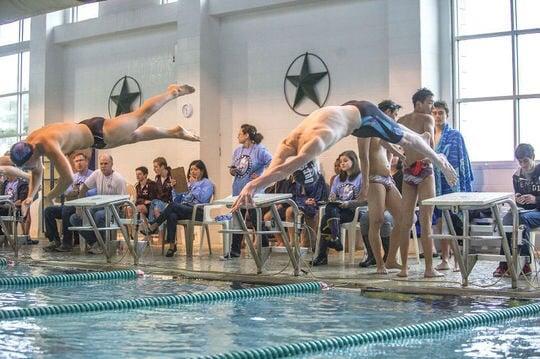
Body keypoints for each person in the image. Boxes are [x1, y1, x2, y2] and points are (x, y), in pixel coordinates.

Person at [231, 99, 457, 212]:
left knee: (407, 138)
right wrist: (254, 189)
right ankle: (419, 145)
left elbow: (285, 170)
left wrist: (251, 187)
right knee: (398, 138)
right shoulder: (288, 141)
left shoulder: (318, 141)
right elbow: (275, 169)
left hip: (365, 116)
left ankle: (440, 161)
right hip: (347, 113)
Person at [9, 84, 197, 210]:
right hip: (94, 136)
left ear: (31, 154)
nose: (28, 169)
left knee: (140, 117)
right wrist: (30, 196)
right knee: (136, 137)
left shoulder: (49, 145)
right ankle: (175, 132)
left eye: (27, 165)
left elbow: (66, 179)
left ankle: (172, 92)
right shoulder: (30, 142)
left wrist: (49, 197)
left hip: (99, 132)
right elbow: (37, 171)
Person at [393, 88, 442, 278]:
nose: (432, 107)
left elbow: (388, 141)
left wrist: (400, 156)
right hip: (424, 169)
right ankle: (429, 269)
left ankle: (404, 269)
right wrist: (435, 158)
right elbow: (429, 145)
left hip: (408, 170)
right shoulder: (427, 119)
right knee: (426, 220)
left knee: (406, 221)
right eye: (429, 102)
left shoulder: (402, 121)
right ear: (419, 103)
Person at [357, 99, 404, 272]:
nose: (395, 118)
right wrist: (365, 185)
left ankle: (391, 258)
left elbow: (392, 151)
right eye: (393, 114)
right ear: (384, 112)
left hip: (387, 179)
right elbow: (363, 157)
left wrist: (404, 158)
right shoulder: (366, 130)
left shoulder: (385, 132)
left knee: (405, 218)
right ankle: (379, 264)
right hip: (374, 179)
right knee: (376, 221)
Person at [431, 100, 474, 271]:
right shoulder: (429, 134)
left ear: (447, 115)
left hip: (452, 182)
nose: (437, 116)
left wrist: (461, 184)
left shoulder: (455, 135)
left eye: (440, 112)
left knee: (455, 221)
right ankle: (444, 258)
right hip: (435, 181)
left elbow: (462, 160)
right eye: (434, 113)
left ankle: (458, 259)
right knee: (441, 221)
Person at [224, 124, 272, 259]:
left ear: (247, 135)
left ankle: (264, 246)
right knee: (237, 220)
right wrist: (232, 170)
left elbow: (273, 164)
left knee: (256, 220)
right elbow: (234, 170)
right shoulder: (237, 151)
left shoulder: (260, 150)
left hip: (253, 192)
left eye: (240, 134)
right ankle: (235, 251)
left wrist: (262, 176)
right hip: (238, 190)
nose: (237, 136)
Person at [148, 160, 214, 257]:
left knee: (172, 206)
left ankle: (155, 224)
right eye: (191, 169)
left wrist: (194, 185)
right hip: (185, 209)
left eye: (195, 169)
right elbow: (177, 200)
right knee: (172, 214)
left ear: (202, 171)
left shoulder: (207, 183)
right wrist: (174, 188)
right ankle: (171, 246)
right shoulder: (188, 183)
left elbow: (203, 198)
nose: (193, 172)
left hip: (198, 211)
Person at [493, 144, 539, 277]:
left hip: (537, 210)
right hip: (525, 210)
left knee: (521, 220)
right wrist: (518, 198)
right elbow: (517, 194)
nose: (523, 165)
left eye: (526, 161)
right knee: (507, 220)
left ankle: (525, 263)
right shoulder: (517, 176)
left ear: (533, 158)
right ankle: (503, 264)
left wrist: (535, 200)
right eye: (520, 162)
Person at [311, 151, 363, 266]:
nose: (342, 164)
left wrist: (348, 203)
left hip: (353, 210)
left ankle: (323, 255)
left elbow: (363, 200)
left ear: (353, 161)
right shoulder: (337, 178)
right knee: (331, 207)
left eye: (345, 161)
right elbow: (333, 195)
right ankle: (336, 238)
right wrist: (332, 197)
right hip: (339, 210)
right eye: (340, 162)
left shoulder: (361, 177)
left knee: (326, 218)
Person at [69, 154, 127, 254]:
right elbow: (84, 188)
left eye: (106, 163)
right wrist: (80, 206)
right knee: (75, 218)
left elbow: (123, 201)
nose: (103, 166)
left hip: (115, 209)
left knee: (98, 215)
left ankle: (103, 244)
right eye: (101, 164)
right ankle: (96, 243)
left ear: (112, 164)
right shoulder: (97, 173)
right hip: (98, 206)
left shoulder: (119, 179)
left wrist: (111, 208)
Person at [43, 152, 94, 252]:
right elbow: (66, 192)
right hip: (72, 205)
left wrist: (77, 191)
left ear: (86, 162)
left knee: (67, 209)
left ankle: (67, 243)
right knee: (48, 210)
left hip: (85, 207)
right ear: (74, 164)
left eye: (81, 160)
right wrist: (80, 190)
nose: (79, 163)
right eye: (76, 161)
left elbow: (94, 191)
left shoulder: (93, 175)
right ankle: (54, 240)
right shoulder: (72, 177)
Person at [148, 157, 173, 244]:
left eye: (156, 167)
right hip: (159, 202)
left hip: (169, 203)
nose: (154, 169)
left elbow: (173, 194)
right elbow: (156, 194)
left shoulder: (172, 177)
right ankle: (153, 231)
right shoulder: (157, 178)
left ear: (163, 166)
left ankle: (160, 235)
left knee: (156, 208)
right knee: (153, 204)